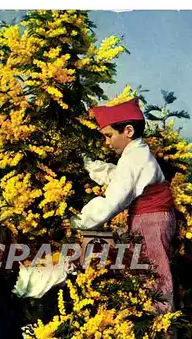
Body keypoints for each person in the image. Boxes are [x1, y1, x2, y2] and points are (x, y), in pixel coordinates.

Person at [69, 98, 176, 316]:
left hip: (151, 221)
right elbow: (118, 177)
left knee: (155, 275)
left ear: (128, 131)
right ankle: (152, 324)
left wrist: (79, 220)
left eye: (109, 135)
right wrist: (90, 164)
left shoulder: (135, 158)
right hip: (150, 219)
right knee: (145, 272)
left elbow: (114, 199)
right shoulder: (136, 154)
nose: (106, 142)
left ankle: (163, 334)